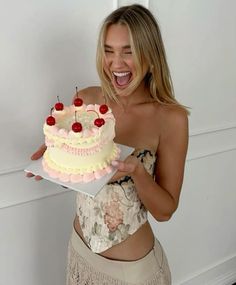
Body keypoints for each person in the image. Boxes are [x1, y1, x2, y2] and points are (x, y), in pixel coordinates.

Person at [27, 4, 189, 285]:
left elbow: (165, 211)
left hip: (131, 273)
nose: (116, 63)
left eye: (128, 51)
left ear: (150, 56)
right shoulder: (87, 100)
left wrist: (138, 173)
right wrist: (56, 161)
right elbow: (80, 177)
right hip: (80, 255)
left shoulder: (170, 118)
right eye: (108, 50)